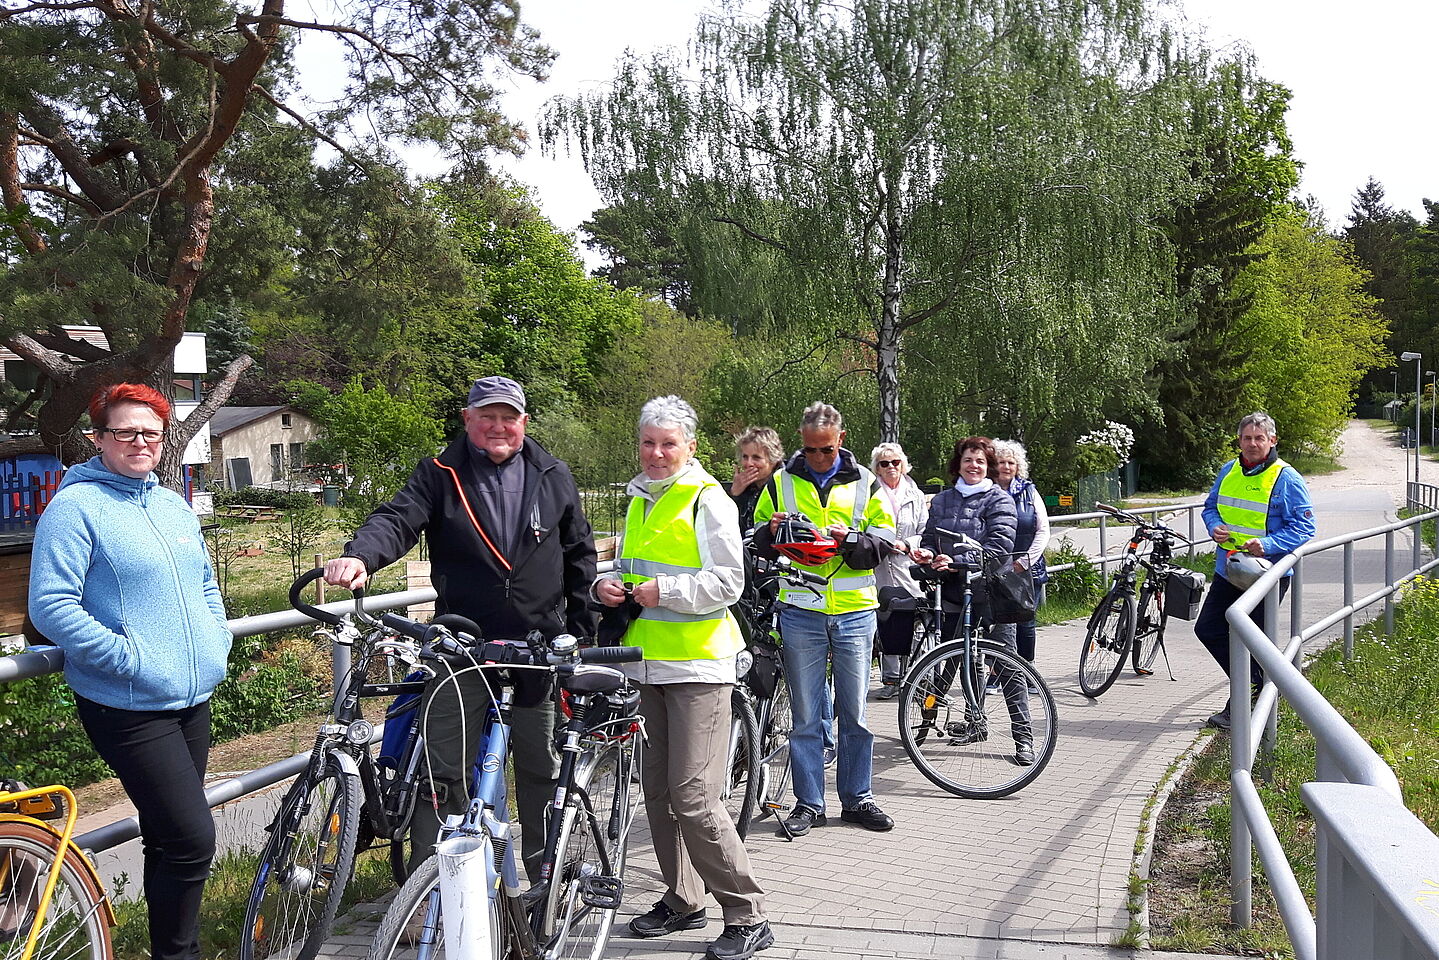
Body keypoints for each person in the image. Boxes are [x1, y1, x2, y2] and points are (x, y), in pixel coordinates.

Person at [323, 375, 597, 878]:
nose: (498, 426)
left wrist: (580, 635)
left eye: (508, 417)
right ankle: (436, 892)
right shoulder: (439, 474)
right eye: (487, 416)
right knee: (444, 771)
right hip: (463, 645)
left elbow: (580, 555)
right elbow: (398, 519)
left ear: (524, 423)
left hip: (535, 650)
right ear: (467, 420)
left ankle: (540, 882)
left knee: (539, 769)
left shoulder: (553, 474)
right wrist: (360, 556)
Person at [29, 383, 232, 960]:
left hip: (191, 696)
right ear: (99, 439)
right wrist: (127, 658)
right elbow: (52, 605)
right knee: (193, 839)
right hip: (127, 704)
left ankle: (165, 950)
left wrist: (216, 638)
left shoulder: (170, 503)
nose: (139, 440)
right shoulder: (75, 509)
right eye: (125, 431)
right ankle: (178, 954)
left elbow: (204, 583)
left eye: (150, 431)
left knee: (168, 839)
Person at [594, 396, 772, 960]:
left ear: (690, 448)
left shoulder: (707, 497)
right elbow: (635, 571)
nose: (656, 452)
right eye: (648, 442)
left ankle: (746, 912)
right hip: (648, 662)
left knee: (694, 796)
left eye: (668, 443)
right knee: (657, 788)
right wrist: (610, 585)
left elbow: (728, 582)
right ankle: (682, 896)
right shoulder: (638, 499)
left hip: (699, 665)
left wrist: (664, 592)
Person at [752, 402, 897, 837]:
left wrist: (851, 541)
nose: (818, 458)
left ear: (842, 440)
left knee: (854, 713)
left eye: (827, 450)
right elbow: (756, 534)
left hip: (854, 611)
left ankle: (857, 799)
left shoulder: (868, 483)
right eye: (811, 450)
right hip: (800, 608)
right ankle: (809, 803)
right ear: (802, 443)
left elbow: (885, 540)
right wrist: (771, 531)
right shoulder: (779, 482)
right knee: (806, 715)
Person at [912, 436, 1036, 765]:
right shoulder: (942, 501)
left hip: (993, 593)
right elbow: (930, 537)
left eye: (980, 461)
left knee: (1008, 665)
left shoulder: (999, 499)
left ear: (988, 466)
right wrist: (928, 554)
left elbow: (998, 547)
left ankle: (1023, 737)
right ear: (959, 464)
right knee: (950, 661)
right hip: (954, 590)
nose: (974, 465)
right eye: (968, 459)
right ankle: (928, 723)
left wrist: (958, 562)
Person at [1195, 412, 1315, 731]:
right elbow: (1210, 507)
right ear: (1239, 440)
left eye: (1259, 438)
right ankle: (1258, 689)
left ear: (1272, 441)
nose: (1252, 444)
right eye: (1247, 438)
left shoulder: (1286, 478)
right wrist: (1214, 527)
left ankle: (1248, 707)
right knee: (1207, 629)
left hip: (1266, 577)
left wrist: (1269, 543)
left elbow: (1306, 526)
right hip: (1229, 569)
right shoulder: (1228, 470)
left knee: (1252, 643)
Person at [870, 442, 928, 699]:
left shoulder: (915, 494)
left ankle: (918, 676)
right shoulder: (870, 493)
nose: (891, 467)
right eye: (884, 463)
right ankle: (891, 679)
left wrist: (906, 544)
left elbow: (925, 531)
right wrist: (879, 544)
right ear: (877, 468)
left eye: (895, 462)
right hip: (878, 566)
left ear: (904, 465)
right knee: (887, 620)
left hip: (908, 563)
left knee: (914, 619)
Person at [993, 439, 1050, 674]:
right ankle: (998, 672)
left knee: (1025, 624)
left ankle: (1028, 671)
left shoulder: (1029, 492)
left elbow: (1043, 530)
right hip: (995, 570)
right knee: (998, 624)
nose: (1006, 466)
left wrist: (1025, 561)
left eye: (1010, 462)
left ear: (1018, 467)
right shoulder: (987, 493)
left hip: (1027, 569)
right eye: (1001, 462)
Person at [728, 426, 784, 530]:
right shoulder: (744, 488)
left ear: (773, 459)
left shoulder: (784, 485)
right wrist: (734, 494)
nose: (749, 464)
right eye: (745, 457)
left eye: (756, 458)